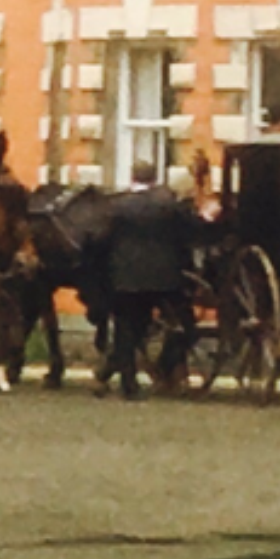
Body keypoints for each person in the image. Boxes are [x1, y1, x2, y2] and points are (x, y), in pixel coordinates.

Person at [94, 163, 204, 400]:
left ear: (133, 177)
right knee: (187, 327)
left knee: (126, 331)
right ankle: (167, 363)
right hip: (166, 277)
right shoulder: (169, 206)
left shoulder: (116, 207)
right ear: (155, 178)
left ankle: (128, 384)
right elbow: (191, 235)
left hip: (126, 277)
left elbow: (101, 241)